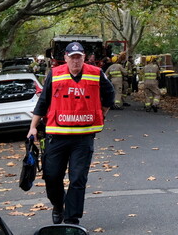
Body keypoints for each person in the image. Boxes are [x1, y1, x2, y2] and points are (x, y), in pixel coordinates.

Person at [26, 41, 114, 226]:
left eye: (79, 57)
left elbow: (109, 95)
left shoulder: (96, 73)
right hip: (56, 136)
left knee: (78, 179)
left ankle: (71, 220)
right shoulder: (55, 74)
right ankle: (58, 205)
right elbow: (43, 102)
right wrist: (33, 127)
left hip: (83, 137)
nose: (76, 61)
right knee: (51, 177)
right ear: (65, 58)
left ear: (84, 58)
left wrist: (101, 113)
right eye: (72, 57)